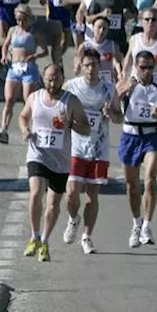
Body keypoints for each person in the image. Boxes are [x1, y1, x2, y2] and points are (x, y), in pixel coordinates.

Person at [19, 63, 90, 262]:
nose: (52, 82)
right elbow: (23, 117)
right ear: (43, 78)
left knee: (53, 203)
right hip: (38, 154)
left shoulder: (71, 102)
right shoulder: (35, 97)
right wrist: (25, 129)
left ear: (62, 78)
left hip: (60, 161)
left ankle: (45, 240)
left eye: (56, 78)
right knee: (35, 192)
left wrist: (71, 124)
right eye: (49, 78)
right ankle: (34, 236)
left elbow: (86, 129)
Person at [62, 48, 122, 255]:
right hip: (75, 146)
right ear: (80, 65)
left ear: (99, 66)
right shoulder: (71, 87)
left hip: (99, 148)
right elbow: (59, 109)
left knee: (92, 194)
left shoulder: (108, 89)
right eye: (86, 65)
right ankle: (73, 219)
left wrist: (110, 113)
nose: (90, 69)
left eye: (94, 65)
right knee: (71, 192)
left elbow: (119, 118)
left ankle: (87, 236)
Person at [117, 51, 157, 248]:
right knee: (132, 185)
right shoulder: (127, 84)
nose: (146, 71)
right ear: (136, 67)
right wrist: (123, 91)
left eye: (150, 67)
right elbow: (111, 105)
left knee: (151, 179)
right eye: (142, 67)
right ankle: (136, 223)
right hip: (130, 136)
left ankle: (147, 224)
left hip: (151, 135)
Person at [0, 4, 49, 145]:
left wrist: (35, 56)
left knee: (27, 101)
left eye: (23, 20)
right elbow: (5, 45)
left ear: (29, 19)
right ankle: (3, 130)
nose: (20, 23)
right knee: (9, 99)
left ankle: (29, 130)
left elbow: (45, 51)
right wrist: (4, 55)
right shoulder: (13, 30)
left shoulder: (35, 33)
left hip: (29, 69)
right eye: (18, 20)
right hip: (14, 68)